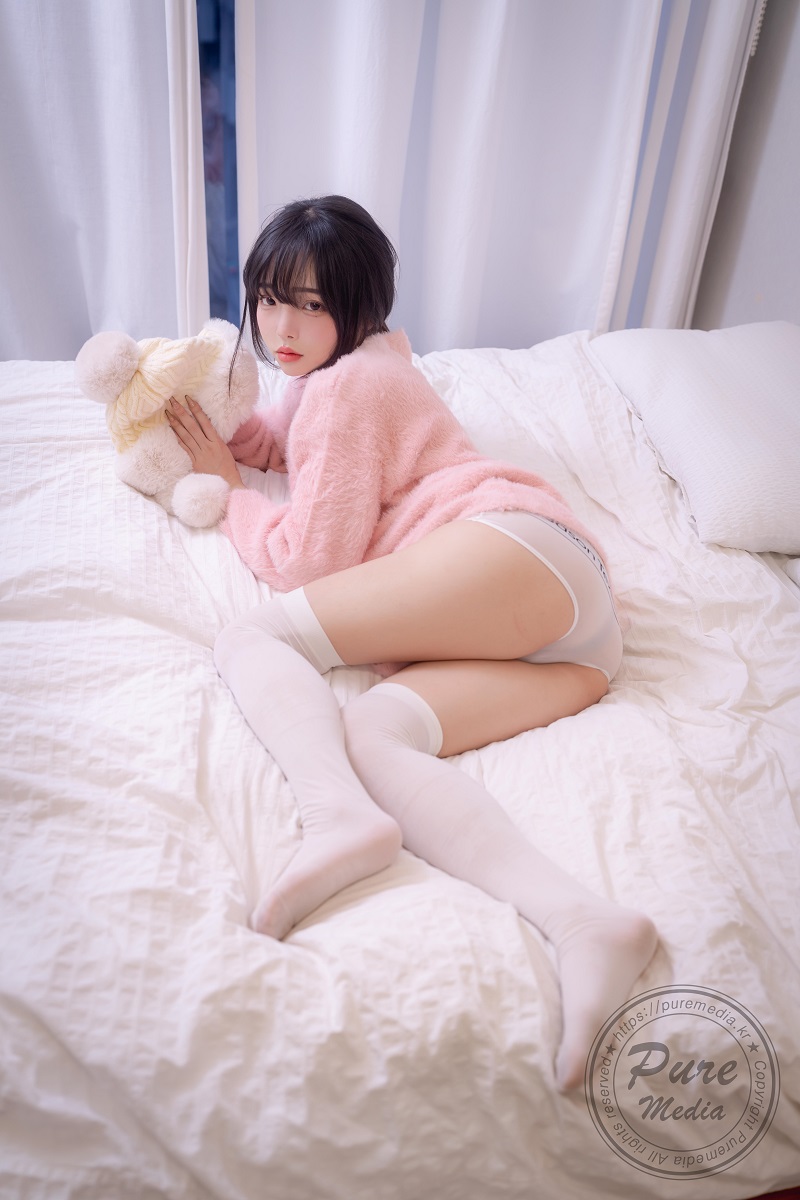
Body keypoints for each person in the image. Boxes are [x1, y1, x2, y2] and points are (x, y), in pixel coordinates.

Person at [165, 195, 657, 1091]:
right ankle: (585, 923)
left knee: (255, 637)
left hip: (512, 545)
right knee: (375, 736)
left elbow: (306, 558)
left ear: (359, 305)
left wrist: (229, 494)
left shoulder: (348, 385)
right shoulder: (356, 369)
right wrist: (223, 428)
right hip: (579, 645)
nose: (282, 327)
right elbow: (290, 445)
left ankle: (335, 817)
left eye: (312, 305)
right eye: (269, 299)